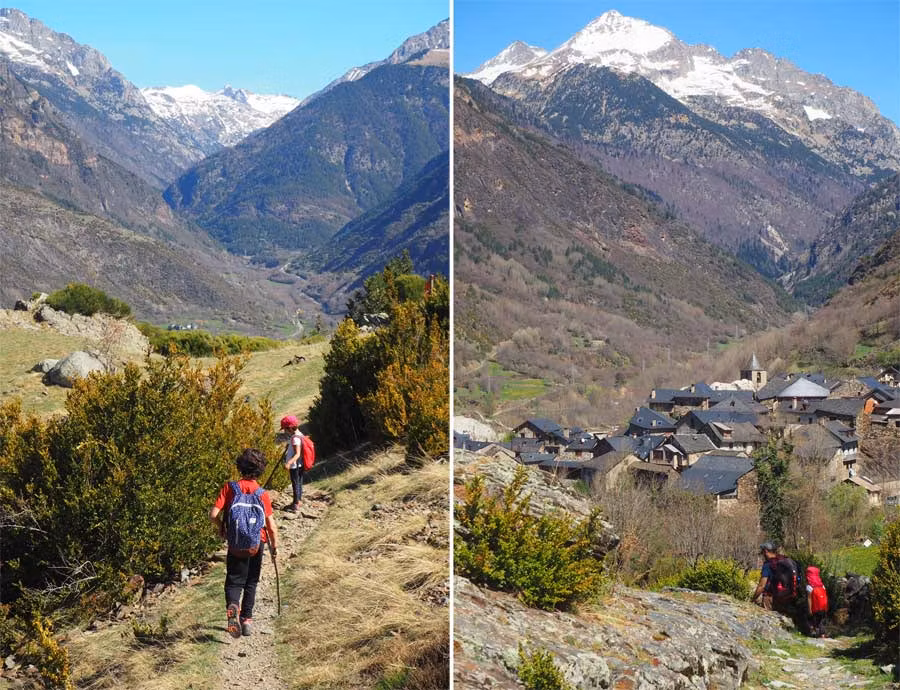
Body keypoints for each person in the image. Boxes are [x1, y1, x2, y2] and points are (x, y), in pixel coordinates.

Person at [210, 448, 279, 638]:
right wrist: (274, 546)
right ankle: (246, 620)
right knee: (251, 581)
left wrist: (222, 529)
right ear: (260, 470)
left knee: (234, 580)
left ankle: (233, 606)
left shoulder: (230, 488)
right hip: (257, 542)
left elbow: (213, 514)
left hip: (235, 542)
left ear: (239, 467)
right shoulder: (262, 493)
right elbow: (271, 525)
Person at [751, 541, 795, 615]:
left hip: (769, 597)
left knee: (768, 618)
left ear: (766, 551)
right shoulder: (784, 560)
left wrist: (753, 599)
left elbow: (762, 586)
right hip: (786, 597)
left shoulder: (768, 564)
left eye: (762, 552)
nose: (762, 554)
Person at [281, 415, 304, 512]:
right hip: (300, 464)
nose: (284, 431)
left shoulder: (295, 438)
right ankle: (298, 500)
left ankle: (296, 503)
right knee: (299, 482)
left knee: (295, 484)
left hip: (295, 466)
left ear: (290, 428)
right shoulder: (299, 434)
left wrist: (289, 463)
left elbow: (297, 454)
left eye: (285, 429)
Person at [805, 565, 828, 637]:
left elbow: (809, 599)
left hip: (815, 608)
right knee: (821, 621)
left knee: (813, 621)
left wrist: (809, 610)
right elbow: (825, 596)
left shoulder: (809, 586)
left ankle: (814, 634)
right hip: (823, 607)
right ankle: (823, 635)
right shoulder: (822, 585)